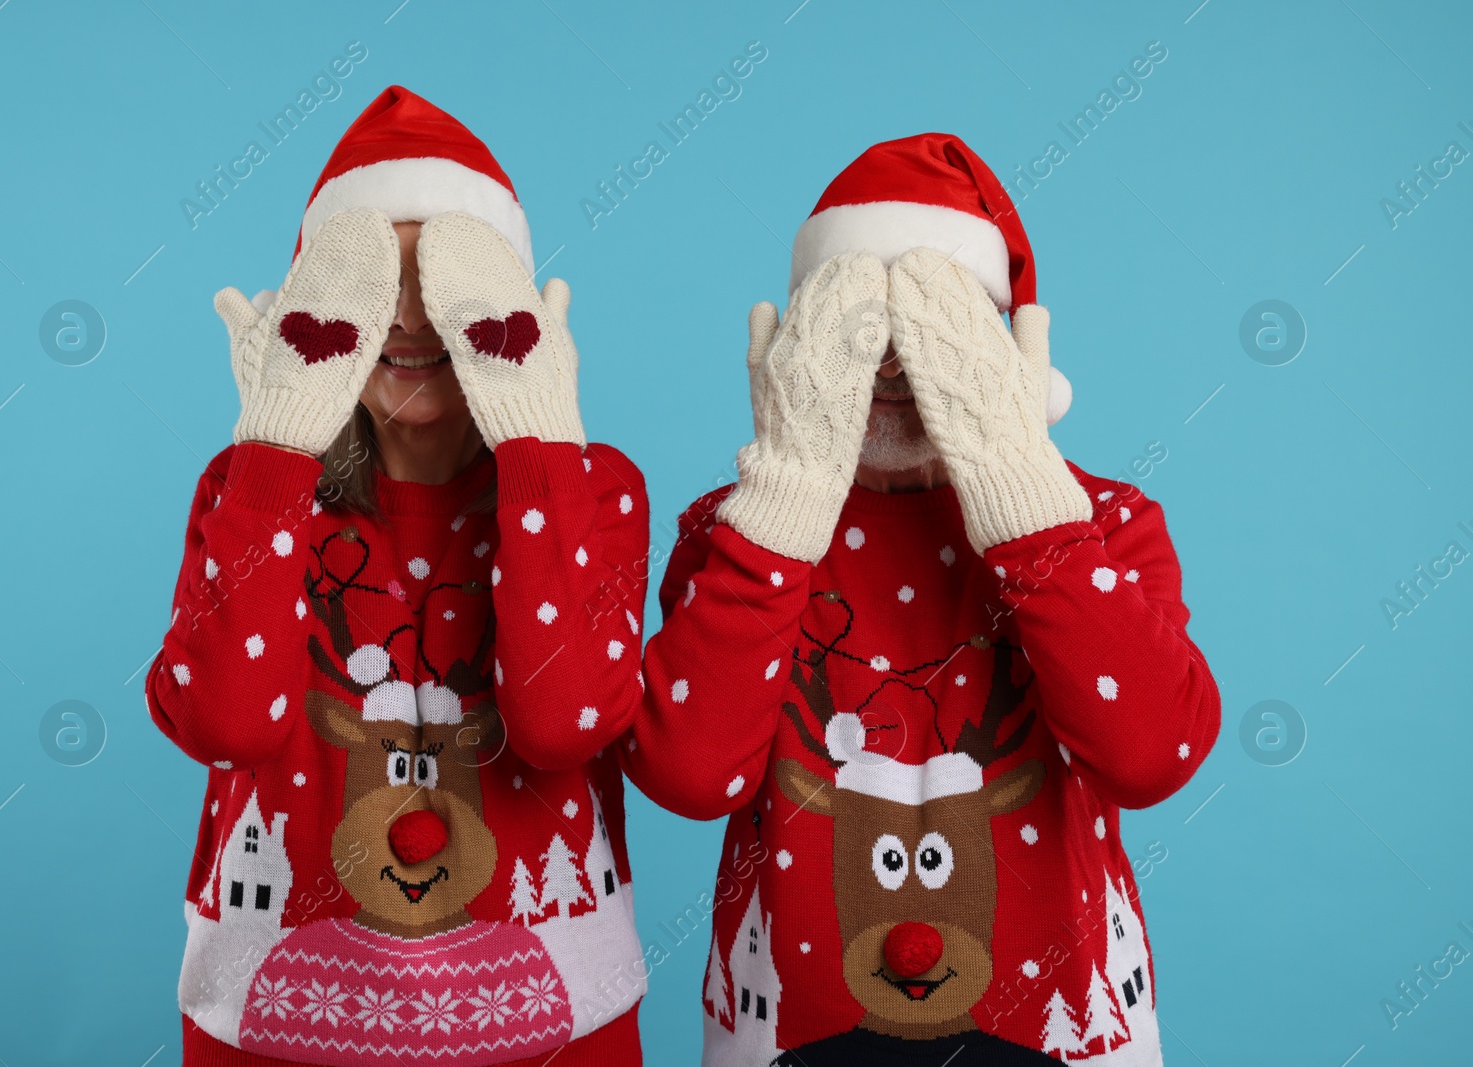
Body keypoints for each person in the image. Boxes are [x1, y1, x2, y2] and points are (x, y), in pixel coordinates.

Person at [623, 134, 1221, 1065]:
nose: (897, 364)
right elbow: (689, 775)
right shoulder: (734, 530)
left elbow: (1154, 754)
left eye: (941, 328)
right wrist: (785, 494)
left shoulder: (1101, 522)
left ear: (1014, 348)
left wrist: (1019, 484)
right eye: (860, 323)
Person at [146, 87, 649, 1067]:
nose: (412, 318)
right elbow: (223, 721)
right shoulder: (247, 485)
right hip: (273, 1026)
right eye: (374, 282)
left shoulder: (594, 488)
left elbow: (563, 723)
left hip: (549, 1026)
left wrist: (538, 440)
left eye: (449, 284)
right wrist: (277, 446)